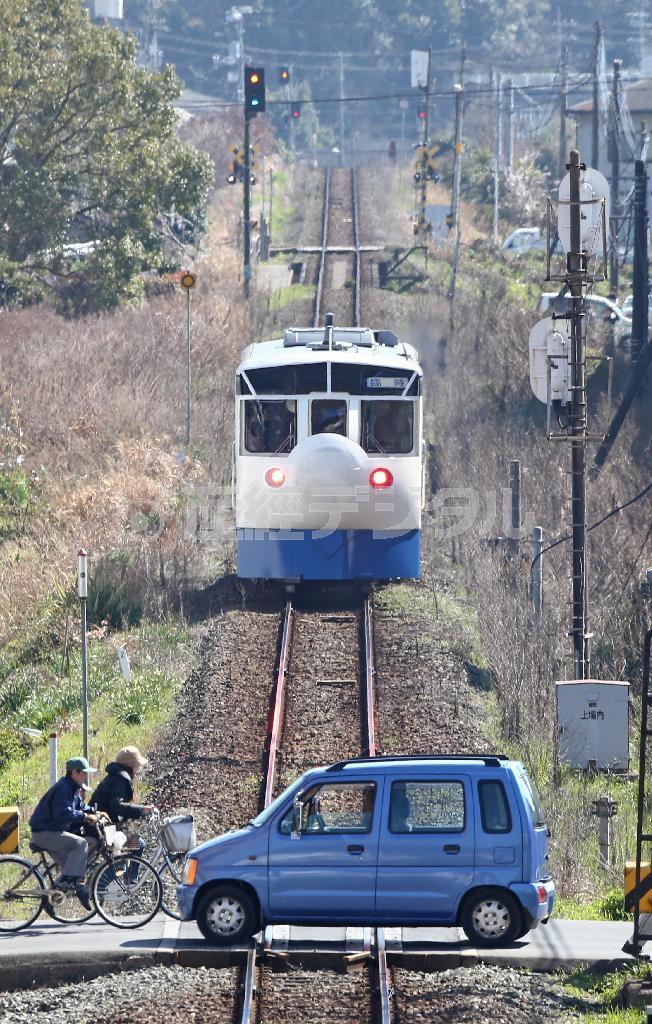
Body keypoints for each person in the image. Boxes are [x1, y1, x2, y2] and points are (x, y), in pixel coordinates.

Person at [29, 756, 99, 910]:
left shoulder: (72, 787)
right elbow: (63, 814)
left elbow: (81, 806)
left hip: (53, 832)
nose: (86, 776)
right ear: (74, 772)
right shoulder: (63, 788)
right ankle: (67, 885)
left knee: (86, 847)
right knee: (80, 843)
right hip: (44, 833)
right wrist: (85, 817)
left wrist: (97, 812)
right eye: (84, 773)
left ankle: (56, 895)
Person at [91, 746, 153, 880]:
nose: (138, 770)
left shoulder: (117, 777)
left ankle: (126, 880)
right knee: (138, 845)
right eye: (137, 766)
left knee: (130, 847)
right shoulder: (120, 780)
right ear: (131, 766)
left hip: (104, 827)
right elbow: (116, 807)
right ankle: (100, 886)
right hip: (102, 830)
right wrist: (141, 810)